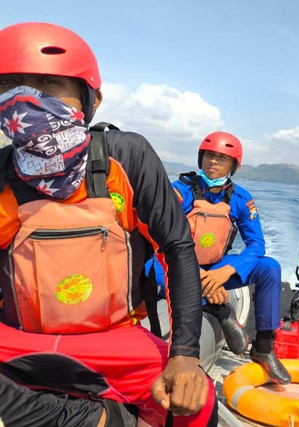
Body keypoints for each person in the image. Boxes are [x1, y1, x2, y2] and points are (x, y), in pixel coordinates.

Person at [0, 22, 217, 426]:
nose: (24, 100)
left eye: (48, 83)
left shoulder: (126, 156)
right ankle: (99, 418)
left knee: (197, 403)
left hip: (115, 339)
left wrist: (185, 354)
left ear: (91, 98)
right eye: (10, 84)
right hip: (19, 340)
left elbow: (177, 247)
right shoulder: (2, 173)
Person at [169, 131, 291, 384]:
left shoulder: (241, 199)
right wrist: (197, 276)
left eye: (221, 158)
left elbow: (256, 245)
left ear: (233, 166)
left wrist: (227, 271)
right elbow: (160, 241)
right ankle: (216, 308)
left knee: (269, 267)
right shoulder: (177, 193)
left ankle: (264, 347)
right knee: (148, 269)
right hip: (175, 267)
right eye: (209, 156)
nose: (213, 162)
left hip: (215, 269)